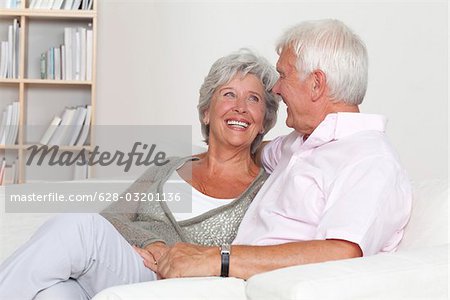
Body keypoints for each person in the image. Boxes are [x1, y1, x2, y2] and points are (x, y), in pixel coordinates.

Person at [0, 49, 280, 299]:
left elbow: (248, 258)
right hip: (125, 269)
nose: (240, 107)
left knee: (79, 228)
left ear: (264, 121)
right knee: (54, 292)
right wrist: (150, 242)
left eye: (253, 99)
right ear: (207, 112)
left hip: (175, 286)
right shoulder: (166, 167)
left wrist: (167, 251)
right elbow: (112, 218)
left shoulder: (266, 188)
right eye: (229, 94)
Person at [154, 19, 412, 280]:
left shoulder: (370, 159)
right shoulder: (303, 142)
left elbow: (342, 253)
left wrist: (218, 259)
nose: (276, 89)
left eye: (283, 75)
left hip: (255, 285)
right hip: (226, 280)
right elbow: (251, 150)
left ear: (316, 84)